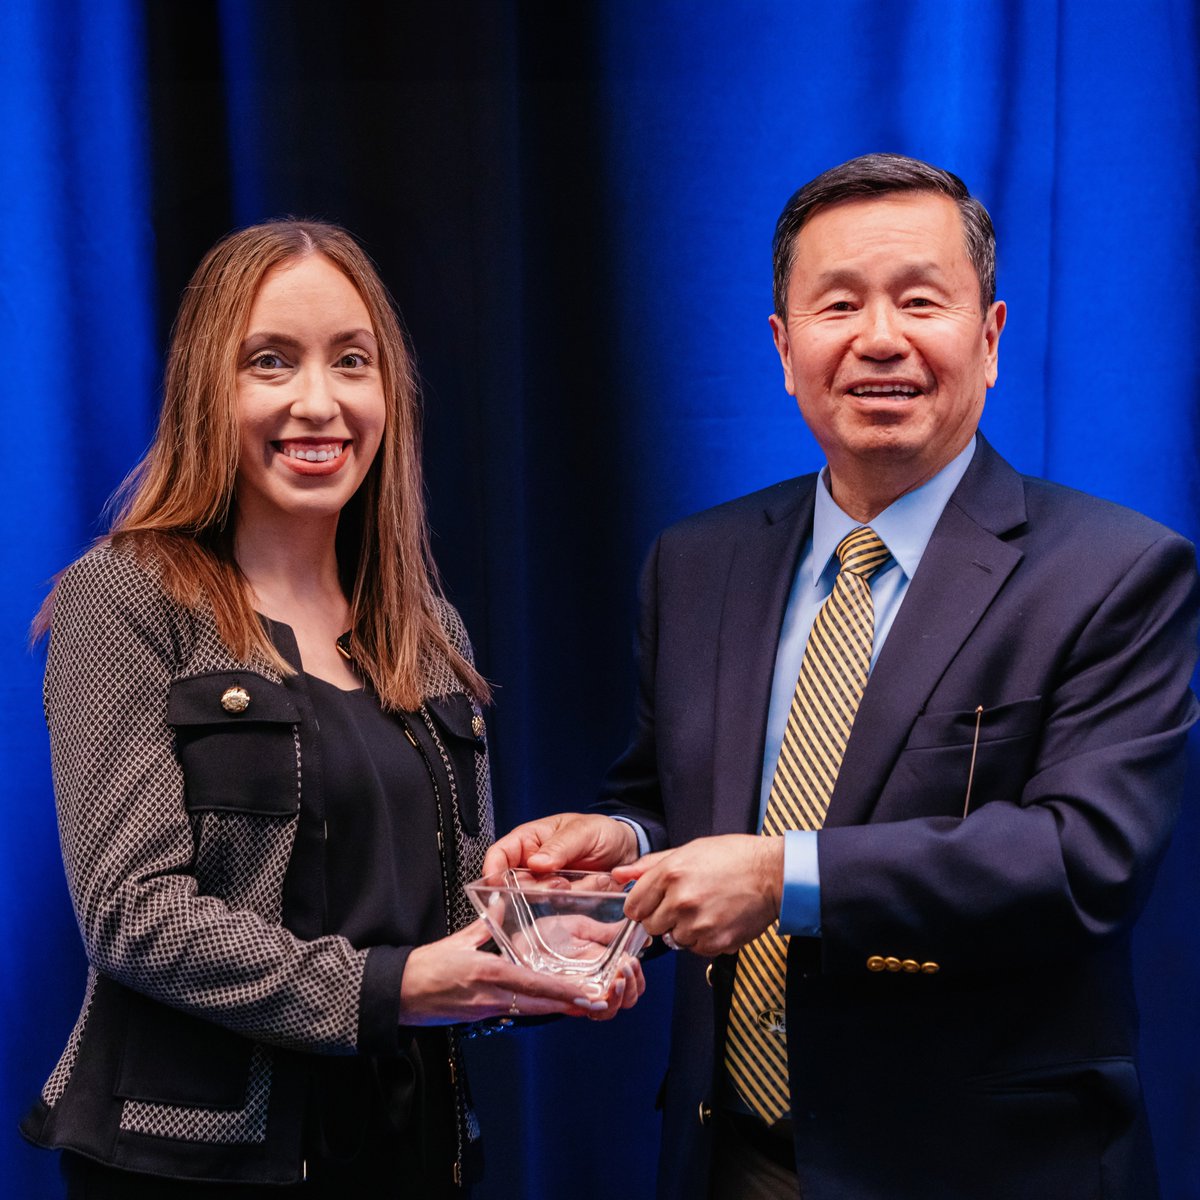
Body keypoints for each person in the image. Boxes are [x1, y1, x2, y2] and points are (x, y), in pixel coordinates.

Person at [484, 154, 1200, 1199]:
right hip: (730, 1158)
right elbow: (675, 799)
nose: (879, 338)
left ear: (990, 337)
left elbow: (1085, 860)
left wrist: (782, 879)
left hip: (987, 1169)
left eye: (919, 300)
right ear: (784, 347)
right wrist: (624, 843)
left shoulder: (1116, 570)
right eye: (839, 305)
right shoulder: (697, 562)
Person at [21, 219, 639, 1198]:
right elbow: (132, 917)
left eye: (352, 362)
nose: (320, 402)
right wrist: (390, 989)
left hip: (413, 1148)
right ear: (205, 394)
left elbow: (443, 935)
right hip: (194, 1165)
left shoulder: (426, 628)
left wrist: (539, 949)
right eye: (270, 362)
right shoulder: (125, 597)